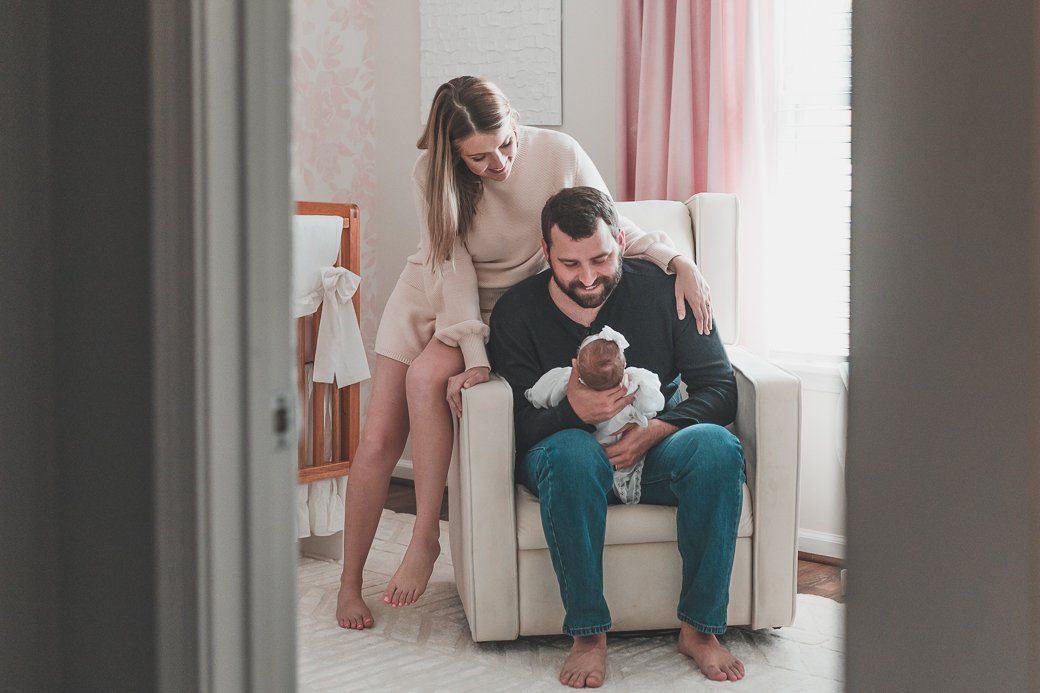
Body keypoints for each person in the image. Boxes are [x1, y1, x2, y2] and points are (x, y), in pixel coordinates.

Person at [335, 76, 715, 632]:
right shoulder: (430, 174)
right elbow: (452, 265)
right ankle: (350, 582)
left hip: (511, 305)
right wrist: (471, 354)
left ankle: (424, 535)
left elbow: (610, 227)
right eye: (480, 157)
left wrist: (678, 260)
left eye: (507, 145)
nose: (501, 164)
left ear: (515, 120)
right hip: (442, 293)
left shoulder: (558, 153)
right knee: (380, 435)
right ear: (452, 152)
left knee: (426, 382)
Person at [488, 186, 746, 686]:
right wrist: (572, 412)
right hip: (568, 463)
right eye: (570, 264)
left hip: (655, 453)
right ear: (547, 254)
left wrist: (656, 430)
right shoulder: (517, 312)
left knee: (717, 447)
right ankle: (588, 634)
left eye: (602, 259)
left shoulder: (663, 290)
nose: (588, 277)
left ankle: (700, 629)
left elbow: (720, 388)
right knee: (572, 454)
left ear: (622, 241)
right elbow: (514, 423)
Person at [524, 325, 664, 504]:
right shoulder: (634, 383)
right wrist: (645, 416)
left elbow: (540, 394)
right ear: (625, 364)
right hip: (611, 451)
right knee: (576, 453)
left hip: (595, 451)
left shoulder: (565, 382)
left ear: (577, 366)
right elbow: (655, 402)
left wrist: (530, 394)